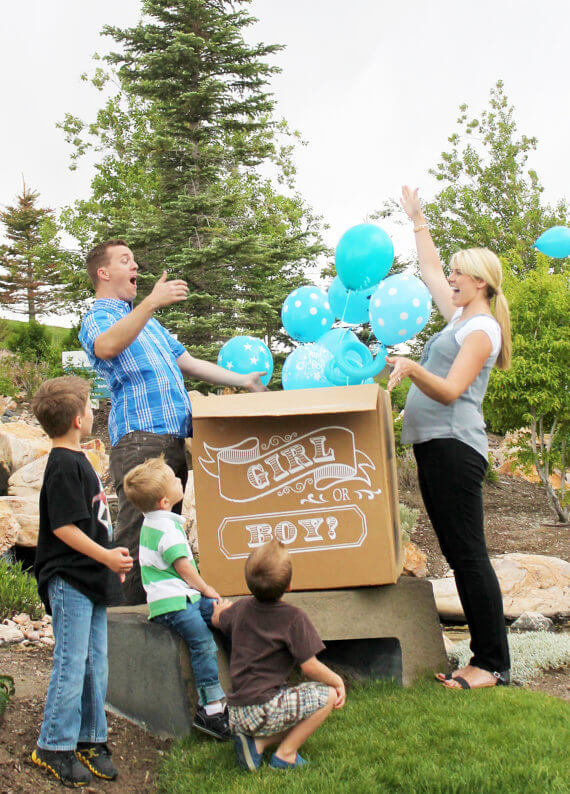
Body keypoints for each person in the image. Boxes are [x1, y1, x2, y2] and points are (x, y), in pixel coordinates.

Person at [79, 240, 267, 605]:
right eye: (125, 260)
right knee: (137, 537)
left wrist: (241, 380)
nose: (135, 265)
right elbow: (105, 347)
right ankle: (125, 628)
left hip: (171, 441)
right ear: (103, 273)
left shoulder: (149, 325)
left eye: (134, 258)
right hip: (140, 442)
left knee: (164, 538)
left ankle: (159, 614)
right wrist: (150, 302)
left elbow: (189, 362)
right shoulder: (99, 316)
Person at [387, 185, 512, 690]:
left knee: (468, 553)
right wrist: (418, 219)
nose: (452, 279)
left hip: (455, 449)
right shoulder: (461, 316)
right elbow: (432, 270)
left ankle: (491, 665)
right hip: (437, 447)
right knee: (460, 552)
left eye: (462, 273)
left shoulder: (481, 330)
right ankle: (485, 657)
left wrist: (412, 366)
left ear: (480, 283)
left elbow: (452, 390)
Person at [30, 376, 133, 787]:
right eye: (91, 406)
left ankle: (90, 739)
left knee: (96, 663)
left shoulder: (78, 460)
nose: (94, 412)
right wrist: (107, 555)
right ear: (77, 419)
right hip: (70, 579)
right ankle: (53, 744)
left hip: (90, 579)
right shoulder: (62, 466)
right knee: (72, 664)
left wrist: (109, 561)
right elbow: (64, 529)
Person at [212, 539, 345, 771]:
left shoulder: (241, 607)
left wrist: (218, 610)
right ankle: (286, 755)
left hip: (236, 713)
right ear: (289, 586)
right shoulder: (293, 618)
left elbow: (218, 620)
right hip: (264, 708)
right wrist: (338, 681)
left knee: (286, 703)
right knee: (327, 696)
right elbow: (309, 666)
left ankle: (257, 743)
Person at [123, 456, 231, 740]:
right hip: (173, 602)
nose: (179, 480)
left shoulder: (155, 522)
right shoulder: (166, 529)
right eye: (173, 480)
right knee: (202, 642)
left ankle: (232, 691)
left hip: (182, 597)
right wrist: (207, 588)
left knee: (223, 616)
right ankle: (211, 709)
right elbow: (185, 569)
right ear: (163, 501)